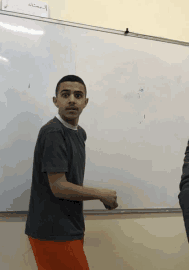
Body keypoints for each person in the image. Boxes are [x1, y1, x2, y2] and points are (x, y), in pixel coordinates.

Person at [25, 75, 189, 269]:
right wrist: (101, 194)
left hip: (70, 226)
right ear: (55, 100)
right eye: (65, 94)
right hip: (52, 230)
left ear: (85, 102)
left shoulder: (79, 133)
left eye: (78, 95)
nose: (71, 100)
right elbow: (59, 187)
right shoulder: (53, 132)